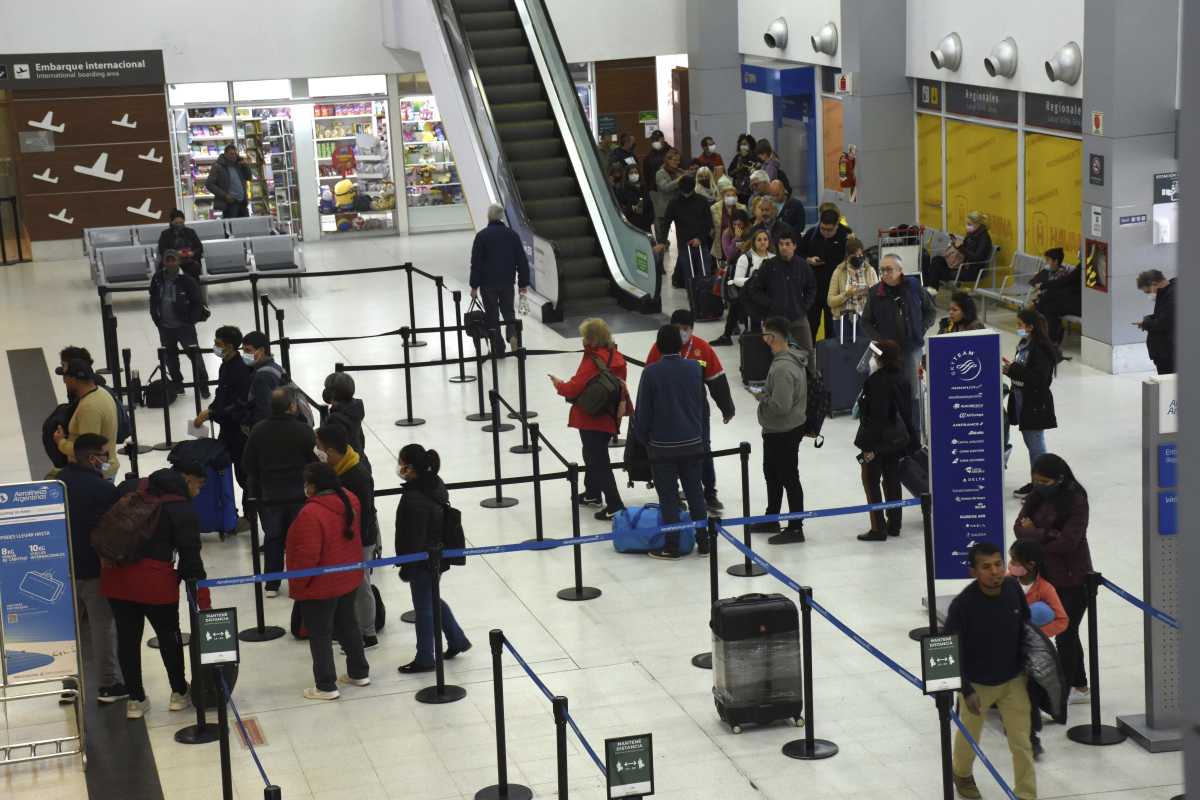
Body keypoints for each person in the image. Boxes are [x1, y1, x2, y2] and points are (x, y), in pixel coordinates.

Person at [102, 463, 208, 720]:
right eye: (197, 485)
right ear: (184, 481)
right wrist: (197, 586)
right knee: (168, 636)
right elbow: (190, 555)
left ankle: (136, 700)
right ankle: (178, 692)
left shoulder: (129, 492)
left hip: (116, 577)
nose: (198, 490)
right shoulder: (180, 508)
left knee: (127, 639)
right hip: (155, 582)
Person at [944, 541, 1036, 800]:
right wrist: (965, 689)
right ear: (973, 571)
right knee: (968, 737)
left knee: (1022, 742)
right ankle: (961, 774)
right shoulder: (962, 606)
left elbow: (1025, 626)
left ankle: (1027, 794)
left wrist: (1030, 670)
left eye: (998, 564)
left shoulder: (1013, 589)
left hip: (1014, 680)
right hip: (977, 686)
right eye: (986, 567)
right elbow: (948, 650)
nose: (995, 571)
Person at [1013, 453, 1094, 709]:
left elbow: (1068, 543)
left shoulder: (1077, 501)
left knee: (1066, 633)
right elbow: (1019, 529)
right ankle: (1072, 682)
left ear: (1059, 479)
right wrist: (1048, 534)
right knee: (1056, 634)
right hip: (1045, 577)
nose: (1038, 485)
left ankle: (1073, 685)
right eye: (1035, 480)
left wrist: (1034, 532)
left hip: (1073, 578)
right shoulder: (1037, 496)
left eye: (1044, 481)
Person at [287, 463, 369, 700]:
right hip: (348, 576)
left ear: (312, 486)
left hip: (320, 585)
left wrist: (300, 586)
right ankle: (359, 672)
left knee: (320, 634)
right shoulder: (350, 499)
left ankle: (326, 685)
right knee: (348, 625)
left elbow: (306, 556)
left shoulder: (310, 514)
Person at [644, 309, 735, 512]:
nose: (683, 333)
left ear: (692, 329)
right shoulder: (658, 349)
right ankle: (674, 493)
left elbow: (716, 380)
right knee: (671, 454)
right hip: (666, 411)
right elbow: (648, 383)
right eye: (678, 329)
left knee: (704, 450)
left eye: (686, 329)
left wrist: (726, 408)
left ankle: (709, 493)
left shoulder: (702, 348)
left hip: (696, 411)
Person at [59, 433, 126, 703]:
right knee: (102, 627)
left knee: (67, 631)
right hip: (95, 569)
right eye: (104, 454)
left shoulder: (56, 483)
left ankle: (66, 686)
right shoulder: (104, 490)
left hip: (61, 569)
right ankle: (108, 685)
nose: (107, 460)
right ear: (91, 457)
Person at [394, 444, 472, 673]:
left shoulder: (414, 498)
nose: (399, 467)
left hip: (422, 559)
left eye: (401, 462)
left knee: (423, 608)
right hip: (437, 553)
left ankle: (426, 657)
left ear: (410, 467)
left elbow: (413, 536)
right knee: (431, 597)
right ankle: (457, 640)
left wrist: (407, 565)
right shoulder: (434, 484)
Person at [633, 325, 709, 559]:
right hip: (693, 441)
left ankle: (672, 544)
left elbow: (643, 413)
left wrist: (644, 439)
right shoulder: (695, 369)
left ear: (657, 346)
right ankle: (704, 540)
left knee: (668, 497)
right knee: (695, 492)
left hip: (662, 446)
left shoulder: (651, 373)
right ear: (681, 344)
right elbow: (701, 405)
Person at [550, 319, 630, 520]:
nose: (583, 340)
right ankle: (592, 493)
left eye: (585, 336)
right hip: (610, 415)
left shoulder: (593, 359)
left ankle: (615, 505)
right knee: (592, 453)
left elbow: (574, 387)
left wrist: (559, 385)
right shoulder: (617, 357)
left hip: (591, 416)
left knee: (599, 459)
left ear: (593, 339)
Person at [242, 388, 317, 597]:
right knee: (300, 538)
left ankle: (271, 584)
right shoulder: (303, 431)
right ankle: (302, 577)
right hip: (299, 494)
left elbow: (248, 463)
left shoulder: (258, 430)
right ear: (291, 407)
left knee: (273, 537)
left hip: (270, 494)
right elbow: (315, 461)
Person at [315, 424, 380, 648]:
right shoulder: (340, 468)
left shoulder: (357, 474)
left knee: (361, 585)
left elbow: (365, 513)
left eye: (319, 447)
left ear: (331, 450)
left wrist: (354, 540)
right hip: (346, 538)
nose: (317, 451)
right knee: (348, 585)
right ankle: (350, 629)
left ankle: (368, 633)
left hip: (359, 539)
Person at [862, 254, 936, 434]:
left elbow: (930, 311)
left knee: (913, 392)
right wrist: (880, 341)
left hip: (912, 348)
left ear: (900, 270)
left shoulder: (913, 286)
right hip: (887, 352)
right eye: (882, 270)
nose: (884, 274)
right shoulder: (875, 293)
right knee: (887, 389)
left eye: (889, 269)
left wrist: (921, 329)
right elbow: (865, 322)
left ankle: (914, 430)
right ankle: (891, 429)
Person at [750, 317, 808, 544]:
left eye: (765, 334)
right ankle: (772, 516)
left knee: (788, 477)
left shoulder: (783, 367)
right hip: (780, 429)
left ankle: (795, 527)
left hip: (783, 430)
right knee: (772, 474)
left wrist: (761, 396)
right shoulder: (788, 358)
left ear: (771, 337)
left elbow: (781, 406)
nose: (763, 338)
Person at [1009, 538, 1070, 759]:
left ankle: (1031, 736)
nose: (1010, 564)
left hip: (1034, 652)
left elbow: (1062, 620)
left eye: (1014, 560)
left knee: (1031, 690)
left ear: (1031, 564)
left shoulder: (1045, 588)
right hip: (1008, 649)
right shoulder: (1006, 582)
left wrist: (1035, 636)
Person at [853, 340, 914, 541]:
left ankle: (878, 527)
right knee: (892, 480)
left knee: (871, 481)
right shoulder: (903, 378)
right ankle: (894, 524)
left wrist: (869, 447)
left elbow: (876, 418)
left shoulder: (876, 381)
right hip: (897, 440)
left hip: (877, 441)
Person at [1003, 309, 1059, 498]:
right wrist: (1012, 368)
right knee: (1032, 444)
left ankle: (1043, 486)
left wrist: (1013, 369)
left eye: (1020, 325)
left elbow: (1040, 379)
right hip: (1022, 401)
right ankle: (1038, 482)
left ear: (1030, 327)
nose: (1017, 328)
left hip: (1035, 403)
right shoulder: (1024, 344)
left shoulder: (1040, 348)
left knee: (1036, 447)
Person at [194, 325, 252, 489]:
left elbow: (238, 403)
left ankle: (250, 513)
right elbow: (221, 394)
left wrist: (210, 413)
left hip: (238, 431)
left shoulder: (240, 369)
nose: (215, 347)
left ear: (230, 346)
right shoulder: (225, 365)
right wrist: (211, 409)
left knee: (243, 475)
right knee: (220, 468)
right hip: (227, 428)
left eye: (218, 344)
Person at [469, 204, 531, 356]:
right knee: (508, 311)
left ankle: (498, 347)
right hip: (507, 282)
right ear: (501, 217)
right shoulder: (512, 235)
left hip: (487, 283)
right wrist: (523, 283)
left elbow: (476, 262)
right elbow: (522, 261)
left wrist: (474, 286)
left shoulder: (482, 236)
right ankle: (512, 335)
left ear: (489, 217)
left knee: (492, 315)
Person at [148, 249, 210, 399]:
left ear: (178, 261)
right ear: (164, 261)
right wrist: (156, 318)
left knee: (195, 356)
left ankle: (203, 385)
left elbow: (197, 302)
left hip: (184, 327)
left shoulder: (186, 280)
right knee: (170, 358)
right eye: (167, 260)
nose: (170, 263)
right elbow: (153, 297)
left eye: (173, 260)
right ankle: (177, 384)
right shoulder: (157, 278)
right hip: (165, 326)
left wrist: (190, 320)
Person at [744, 226, 816, 354]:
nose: (784, 247)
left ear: (794, 246)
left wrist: (804, 306)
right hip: (774, 319)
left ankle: (810, 374)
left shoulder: (803, 265)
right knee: (773, 352)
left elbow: (811, 287)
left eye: (787, 244)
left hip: (798, 317)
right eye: (781, 244)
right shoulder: (769, 265)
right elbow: (754, 289)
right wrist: (770, 304)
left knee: (807, 351)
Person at [53, 359, 120, 481]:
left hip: (96, 475)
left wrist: (61, 442)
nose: (64, 382)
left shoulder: (89, 408)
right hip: (104, 469)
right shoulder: (101, 392)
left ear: (74, 380)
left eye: (65, 377)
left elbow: (87, 451)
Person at [800, 206, 852, 340]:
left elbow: (853, 258)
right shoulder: (812, 234)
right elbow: (798, 253)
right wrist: (808, 260)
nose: (826, 233)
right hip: (813, 286)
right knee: (810, 325)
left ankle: (831, 356)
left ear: (837, 226)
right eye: (823, 228)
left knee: (832, 328)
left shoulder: (846, 236)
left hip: (835, 288)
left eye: (830, 230)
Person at [713, 220, 767, 345]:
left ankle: (743, 334)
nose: (762, 242)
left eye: (765, 239)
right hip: (750, 290)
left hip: (766, 294)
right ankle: (730, 335)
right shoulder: (746, 257)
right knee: (739, 302)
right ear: (753, 242)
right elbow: (738, 278)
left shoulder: (772, 257)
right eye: (759, 240)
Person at [658, 174, 714, 288]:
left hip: (701, 242)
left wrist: (700, 238)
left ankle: (704, 295)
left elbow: (708, 223)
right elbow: (666, 223)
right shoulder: (674, 202)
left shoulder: (702, 201)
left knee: (705, 271)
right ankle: (691, 293)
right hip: (684, 243)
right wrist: (662, 241)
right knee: (689, 274)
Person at [927, 210, 993, 286]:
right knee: (937, 260)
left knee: (936, 272)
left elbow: (977, 257)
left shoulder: (984, 238)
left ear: (977, 224)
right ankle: (930, 291)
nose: (967, 226)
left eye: (969, 224)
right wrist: (956, 244)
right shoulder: (971, 235)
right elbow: (964, 248)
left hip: (971, 270)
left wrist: (961, 248)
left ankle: (930, 292)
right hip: (960, 265)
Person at [1029, 248, 1080, 346]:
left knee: (1042, 306)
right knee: (1038, 307)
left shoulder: (1063, 273)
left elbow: (1062, 283)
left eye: (1048, 260)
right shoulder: (1047, 271)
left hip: (1075, 302)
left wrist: (1042, 287)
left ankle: (1050, 338)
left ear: (1055, 261)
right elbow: (1034, 283)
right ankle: (1044, 337)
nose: (1046, 263)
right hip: (1054, 299)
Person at [240, 331, 285, 430]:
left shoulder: (262, 377)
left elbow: (264, 413)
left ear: (261, 350)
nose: (245, 355)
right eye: (243, 351)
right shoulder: (276, 367)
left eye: (248, 350)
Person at [827, 236, 878, 322]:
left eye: (860, 255)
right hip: (842, 318)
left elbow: (878, 298)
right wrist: (847, 294)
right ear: (847, 256)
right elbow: (830, 301)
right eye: (854, 256)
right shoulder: (839, 271)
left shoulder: (870, 270)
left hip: (865, 318)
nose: (858, 258)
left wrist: (869, 291)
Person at [323, 372, 369, 466]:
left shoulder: (335, 419)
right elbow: (360, 439)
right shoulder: (354, 409)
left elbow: (329, 447)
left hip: (346, 467)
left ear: (332, 394)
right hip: (360, 462)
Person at [1136, 269, 1176, 375]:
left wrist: (1146, 322)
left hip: (1169, 353)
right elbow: (1163, 316)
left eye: (1148, 291)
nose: (1149, 295)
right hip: (1163, 352)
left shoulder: (1173, 295)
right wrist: (1147, 320)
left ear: (1154, 284)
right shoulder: (1165, 293)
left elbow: (1164, 323)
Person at [653, 147, 688, 248]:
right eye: (675, 160)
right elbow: (665, 187)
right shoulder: (660, 173)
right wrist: (679, 180)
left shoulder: (679, 171)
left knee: (682, 233)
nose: (678, 162)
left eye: (678, 160)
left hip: (679, 206)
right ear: (667, 160)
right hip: (664, 207)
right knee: (661, 236)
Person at [204, 144, 251, 218]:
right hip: (230, 204)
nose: (234, 156)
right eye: (231, 154)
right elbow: (209, 184)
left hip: (242, 202)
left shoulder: (239, 165)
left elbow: (249, 177)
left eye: (235, 154)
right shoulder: (218, 166)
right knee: (231, 227)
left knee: (244, 227)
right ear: (225, 154)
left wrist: (245, 166)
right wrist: (225, 196)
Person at [156, 209, 204, 277]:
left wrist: (192, 253)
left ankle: (192, 287)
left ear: (184, 221)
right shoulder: (165, 234)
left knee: (194, 268)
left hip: (189, 260)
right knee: (167, 269)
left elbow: (199, 248)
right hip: (172, 261)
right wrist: (175, 254)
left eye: (181, 223)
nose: (179, 225)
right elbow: (162, 250)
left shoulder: (190, 232)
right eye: (176, 223)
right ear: (172, 222)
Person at [710, 177, 746, 261]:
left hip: (739, 243)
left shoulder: (742, 208)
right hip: (720, 246)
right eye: (728, 195)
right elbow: (711, 227)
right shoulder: (714, 208)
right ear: (723, 196)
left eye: (733, 195)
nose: (731, 197)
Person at [617, 162, 653, 233]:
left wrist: (650, 219)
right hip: (631, 223)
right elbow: (623, 207)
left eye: (636, 172)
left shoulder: (644, 188)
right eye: (631, 173)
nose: (634, 175)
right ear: (627, 175)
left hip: (645, 223)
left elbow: (649, 205)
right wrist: (632, 208)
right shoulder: (623, 190)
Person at [727, 133, 761, 203]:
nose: (743, 146)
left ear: (750, 145)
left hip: (751, 193)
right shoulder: (737, 157)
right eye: (741, 144)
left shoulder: (755, 157)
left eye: (745, 144)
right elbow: (729, 173)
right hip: (738, 192)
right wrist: (739, 169)